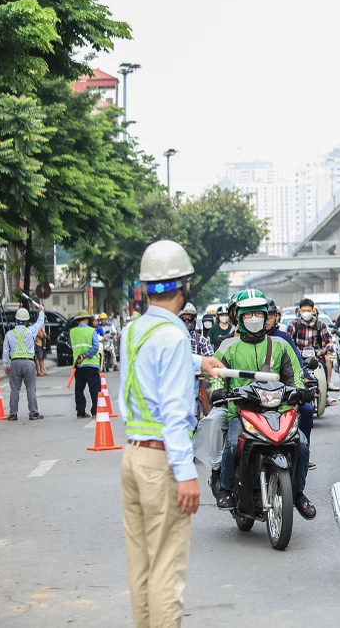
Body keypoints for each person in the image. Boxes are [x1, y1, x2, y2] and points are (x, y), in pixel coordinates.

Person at [119, 239, 223, 628]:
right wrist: (185, 473)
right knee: (167, 570)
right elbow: (176, 415)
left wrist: (199, 362)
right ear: (185, 286)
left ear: (146, 287)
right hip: (162, 461)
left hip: (133, 457)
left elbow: (155, 361)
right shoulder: (176, 335)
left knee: (142, 567)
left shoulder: (134, 331)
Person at [210, 289, 316, 519]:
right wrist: (218, 390)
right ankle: (226, 489)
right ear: (239, 318)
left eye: (259, 314)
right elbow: (216, 373)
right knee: (231, 445)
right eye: (248, 315)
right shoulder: (227, 346)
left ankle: (298, 492)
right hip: (242, 412)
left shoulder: (281, 344)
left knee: (303, 444)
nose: (255, 319)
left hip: (280, 410)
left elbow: (295, 375)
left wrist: (301, 392)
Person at [265, 297, 316, 469]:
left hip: (283, 392)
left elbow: (298, 362)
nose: (265, 320)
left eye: (269, 316)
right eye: (259, 315)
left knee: (307, 410)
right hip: (254, 396)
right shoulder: (240, 341)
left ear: (276, 317)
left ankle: (303, 454)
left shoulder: (283, 338)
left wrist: (305, 378)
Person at [2, 305, 46, 420]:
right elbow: (40, 322)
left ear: (16, 320)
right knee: (31, 388)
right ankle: (33, 413)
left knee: (14, 389)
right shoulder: (31, 331)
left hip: (15, 363)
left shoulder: (9, 334)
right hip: (29, 363)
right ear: (26, 321)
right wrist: (41, 311)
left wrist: (6, 365)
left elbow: (6, 351)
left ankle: (12, 414)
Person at [287, 297, 333, 381]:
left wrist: (327, 350)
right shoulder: (294, 324)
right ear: (299, 311)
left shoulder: (320, 325)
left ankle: (328, 383)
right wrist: (295, 351)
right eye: (303, 311)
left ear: (313, 310)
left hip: (316, 357)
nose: (306, 313)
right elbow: (288, 341)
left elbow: (328, 341)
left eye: (308, 310)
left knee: (327, 360)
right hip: (298, 357)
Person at [71, 310, 101, 418]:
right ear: (86, 319)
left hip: (78, 366)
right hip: (91, 364)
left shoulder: (72, 332)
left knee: (79, 389)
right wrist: (86, 354)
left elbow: (72, 346)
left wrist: (80, 356)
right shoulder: (91, 331)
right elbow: (96, 347)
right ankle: (95, 411)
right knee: (95, 389)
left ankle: (80, 412)